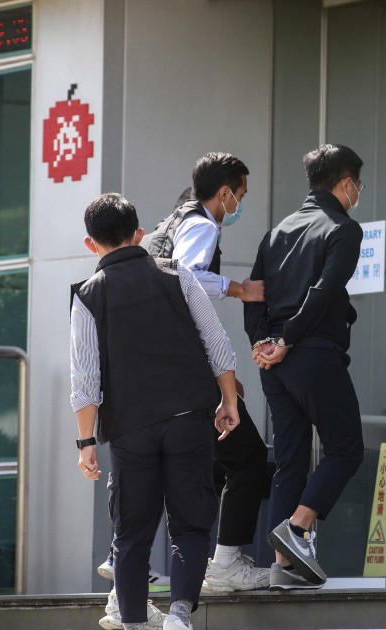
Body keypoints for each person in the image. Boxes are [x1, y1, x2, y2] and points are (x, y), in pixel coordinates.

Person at [70, 193, 239, 630]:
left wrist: (86, 442)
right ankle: (180, 619)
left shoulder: (88, 294)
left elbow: (84, 380)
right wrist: (228, 400)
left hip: (130, 428)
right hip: (189, 417)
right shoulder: (177, 274)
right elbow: (216, 340)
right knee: (190, 525)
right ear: (140, 234)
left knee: (131, 534)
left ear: (90, 244)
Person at [143, 153, 271, 593]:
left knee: (202, 467)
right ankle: (226, 563)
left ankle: (128, 563)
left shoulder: (170, 223)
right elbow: (190, 278)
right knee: (249, 459)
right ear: (225, 193)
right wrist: (240, 290)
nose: (239, 205)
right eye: (241, 196)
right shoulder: (201, 225)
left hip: (160, 368)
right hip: (188, 369)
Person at [244, 143, 366, 590]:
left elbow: (254, 293)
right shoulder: (343, 229)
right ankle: (297, 529)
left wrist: (263, 341)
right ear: (346, 182)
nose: (358, 192)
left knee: (289, 461)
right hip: (312, 353)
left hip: (274, 366)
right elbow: (324, 291)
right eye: (358, 184)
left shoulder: (277, 232)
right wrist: (288, 340)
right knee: (346, 449)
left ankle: (283, 566)